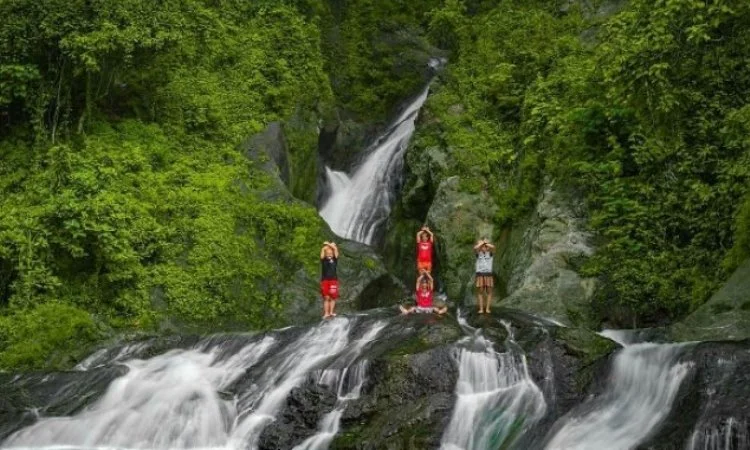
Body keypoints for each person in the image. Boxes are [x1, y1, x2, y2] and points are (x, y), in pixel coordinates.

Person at [474, 238, 495, 314]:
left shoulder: (490, 253)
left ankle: (488, 308)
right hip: (480, 275)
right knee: (480, 291)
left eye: (485, 246)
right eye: (482, 246)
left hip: (488, 275)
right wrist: (482, 243)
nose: (484, 247)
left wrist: (486, 243)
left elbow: (493, 247)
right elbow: (475, 248)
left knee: (489, 291)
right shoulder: (478, 253)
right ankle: (481, 309)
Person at [320, 241, 340, 319]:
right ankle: (326, 313)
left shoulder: (335, 259)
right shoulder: (323, 259)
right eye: (327, 252)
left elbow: (335, 249)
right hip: (325, 280)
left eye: (330, 252)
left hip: (333, 281)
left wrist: (328, 244)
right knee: (326, 297)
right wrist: (326, 247)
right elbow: (323, 251)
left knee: (333, 297)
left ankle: (331, 312)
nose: (329, 253)